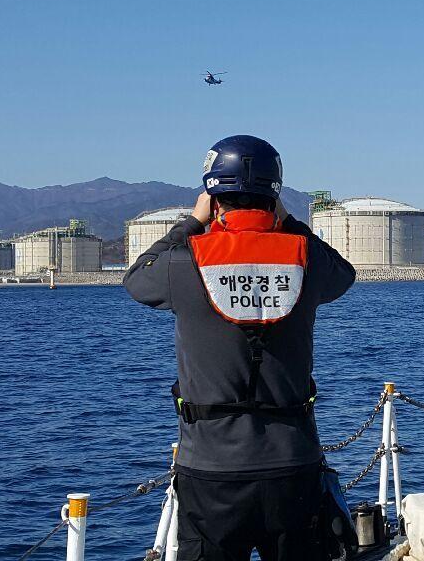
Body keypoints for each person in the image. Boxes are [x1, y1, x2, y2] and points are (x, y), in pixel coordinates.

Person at [125, 134, 356, 561]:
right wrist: (291, 225)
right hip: (293, 461)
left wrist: (190, 224)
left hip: (211, 469)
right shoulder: (306, 258)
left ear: (214, 198)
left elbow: (137, 278)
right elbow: (345, 272)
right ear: (275, 196)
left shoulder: (184, 262)